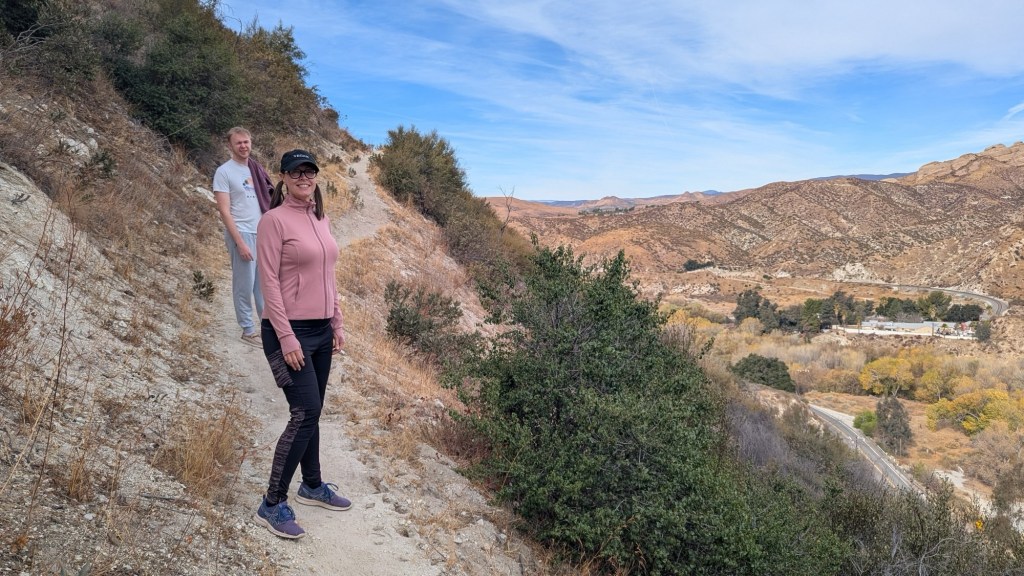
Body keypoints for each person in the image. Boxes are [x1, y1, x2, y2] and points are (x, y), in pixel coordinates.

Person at [254, 149, 350, 539]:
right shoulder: (272, 221)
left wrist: (337, 321)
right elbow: (269, 283)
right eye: (297, 171)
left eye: (309, 171)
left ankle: (312, 485)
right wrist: (287, 336)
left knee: (315, 410)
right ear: (283, 176)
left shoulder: (319, 216)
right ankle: (272, 503)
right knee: (305, 412)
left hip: (321, 330)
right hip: (286, 332)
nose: (304, 177)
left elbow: (329, 274)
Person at [212, 127, 272, 346]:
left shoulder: (256, 169)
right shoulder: (224, 172)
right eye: (239, 143)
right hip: (242, 233)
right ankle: (248, 329)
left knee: (263, 286)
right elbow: (224, 211)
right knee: (244, 284)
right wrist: (239, 242)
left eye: (246, 142)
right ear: (230, 145)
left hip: (262, 232)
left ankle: (268, 329)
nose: (244, 146)